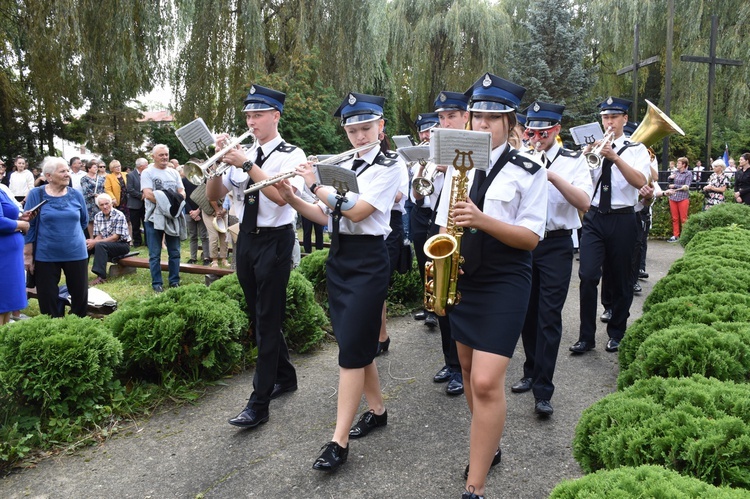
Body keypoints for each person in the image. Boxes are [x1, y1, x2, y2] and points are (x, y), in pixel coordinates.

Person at [432, 73, 547, 499]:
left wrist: (481, 219)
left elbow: (531, 238)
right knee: (465, 369)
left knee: (483, 381)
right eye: (477, 114)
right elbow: (445, 222)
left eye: (492, 117)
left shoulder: (529, 169)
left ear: (509, 122)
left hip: (506, 280)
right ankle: (488, 444)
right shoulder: (458, 161)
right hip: (465, 277)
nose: (482, 124)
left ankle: (474, 487)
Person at [273, 91, 401, 472]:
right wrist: (292, 197)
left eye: (366, 128)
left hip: (369, 260)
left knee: (350, 355)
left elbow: (359, 212)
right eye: (352, 130)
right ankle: (377, 411)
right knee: (354, 343)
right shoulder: (341, 162)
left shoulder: (390, 164)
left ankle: (338, 440)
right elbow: (324, 214)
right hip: (340, 257)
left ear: (381, 127)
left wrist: (315, 185)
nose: (359, 137)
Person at [206, 84, 306, 430]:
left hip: (276, 240)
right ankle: (286, 376)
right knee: (259, 313)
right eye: (248, 115)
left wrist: (247, 163)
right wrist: (219, 164)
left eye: (258, 115)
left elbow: (281, 198)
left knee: (266, 318)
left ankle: (258, 403)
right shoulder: (241, 153)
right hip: (244, 238)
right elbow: (213, 196)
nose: (251, 121)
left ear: (275, 116)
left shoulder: (291, 154)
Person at [513, 101, 592, 418]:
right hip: (525, 242)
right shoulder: (521, 157)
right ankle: (530, 369)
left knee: (549, 316)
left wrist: (550, 176)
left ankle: (544, 389)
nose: (536, 136)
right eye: (532, 131)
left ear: (556, 130)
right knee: (527, 314)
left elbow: (584, 202)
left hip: (557, 243)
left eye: (543, 132)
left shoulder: (574, 160)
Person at [570, 96, 650, 356]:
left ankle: (617, 332)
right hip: (594, 217)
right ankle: (586, 336)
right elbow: (584, 183)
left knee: (621, 278)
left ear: (624, 119)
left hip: (623, 217)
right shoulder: (593, 148)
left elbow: (640, 181)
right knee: (588, 276)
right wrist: (585, 158)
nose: (609, 122)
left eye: (614, 117)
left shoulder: (636, 148)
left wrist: (614, 157)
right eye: (605, 117)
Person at [24, 157, 89, 317]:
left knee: (80, 297)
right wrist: (28, 255)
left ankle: (79, 329)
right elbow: (29, 226)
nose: (67, 174)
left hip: (76, 253)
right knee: (47, 299)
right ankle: (54, 332)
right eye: (63, 171)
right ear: (49, 176)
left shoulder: (76, 195)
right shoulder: (36, 194)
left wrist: (68, 237)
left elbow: (84, 221)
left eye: (68, 170)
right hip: (46, 255)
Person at [409, 111, 441, 329]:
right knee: (423, 262)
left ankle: (439, 308)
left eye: (430, 130)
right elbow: (415, 194)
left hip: (436, 215)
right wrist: (421, 164)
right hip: (419, 215)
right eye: (423, 131)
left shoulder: (444, 157)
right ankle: (428, 305)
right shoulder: (418, 162)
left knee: (439, 262)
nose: (426, 135)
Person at [141, 144, 186, 293]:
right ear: (153, 156)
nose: (164, 157)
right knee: (155, 254)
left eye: (166, 154)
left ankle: (174, 281)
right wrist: (169, 204)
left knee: (175, 252)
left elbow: (181, 192)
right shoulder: (147, 173)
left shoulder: (174, 173)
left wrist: (174, 204)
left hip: (172, 218)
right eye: (161, 155)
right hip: (153, 218)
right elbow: (148, 194)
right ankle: (157, 283)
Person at [0, 186, 32, 325]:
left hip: (10, 255)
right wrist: (21, 224)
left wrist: (19, 217)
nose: (2, 167)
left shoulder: (1, 189)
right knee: (2, 302)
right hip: (3, 255)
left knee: (7, 304)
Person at [86, 193, 131, 285]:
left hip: (122, 245)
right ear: (99, 206)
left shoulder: (119, 215)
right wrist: (93, 242)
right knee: (86, 245)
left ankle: (101, 277)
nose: (105, 207)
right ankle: (80, 273)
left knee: (100, 245)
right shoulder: (97, 216)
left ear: (111, 204)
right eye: (101, 205)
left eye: (107, 204)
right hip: (105, 244)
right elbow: (98, 235)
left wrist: (95, 242)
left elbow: (115, 238)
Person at [179, 169, 210, 265]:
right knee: (193, 236)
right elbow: (183, 197)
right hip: (189, 212)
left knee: (204, 236)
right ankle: (193, 257)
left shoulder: (204, 179)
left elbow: (206, 196)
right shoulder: (183, 181)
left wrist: (198, 211)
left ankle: (206, 257)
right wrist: (190, 211)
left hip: (202, 210)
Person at [664, 156, 691, 242]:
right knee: (674, 218)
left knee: (683, 218)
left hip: (683, 197)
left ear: (684, 164)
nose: (677, 164)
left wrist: (675, 186)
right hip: (673, 196)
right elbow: (669, 183)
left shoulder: (688, 173)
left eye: (679, 163)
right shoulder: (675, 172)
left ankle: (684, 236)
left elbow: (687, 186)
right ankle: (675, 235)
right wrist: (670, 178)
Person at [81, 160, 106, 238]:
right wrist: (94, 194)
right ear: (89, 169)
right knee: (91, 220)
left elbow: (104, 188)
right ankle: (92, 237)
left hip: (100, 201)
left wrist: (101, 195)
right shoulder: (84, 179)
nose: (96, 169)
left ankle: (101, 236)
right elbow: (85, 190)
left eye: (97, 167)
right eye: (94, 167)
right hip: (90, 202)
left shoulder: (101, 178)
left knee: (101, 218)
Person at [127, 158, 148, 247]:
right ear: (141, 166)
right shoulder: (131, 175)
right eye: (146, 165)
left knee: (146, 223)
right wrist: (141, 195)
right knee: (135, 225)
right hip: (135, 204)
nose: (147, 166)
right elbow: (130, 189)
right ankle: (137, 242)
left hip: (146, 204)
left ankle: (148, 242)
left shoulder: (147, 175)